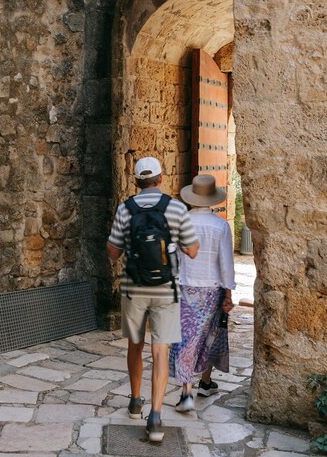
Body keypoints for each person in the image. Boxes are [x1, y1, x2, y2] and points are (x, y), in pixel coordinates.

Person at [107, 157, 199, 443]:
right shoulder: (175, 208)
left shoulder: (125, 209)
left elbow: (113, 252)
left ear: (136, 182)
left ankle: (136, 401)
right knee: (160, 351)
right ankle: (156, 417)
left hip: (134, 289)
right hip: (165, 290)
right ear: (160, 179)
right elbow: (193, 250)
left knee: (135, 345)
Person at [169, 174, 236, 412]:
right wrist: (228, 294)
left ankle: (193, 389)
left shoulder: (181, 222)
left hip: (186, 287)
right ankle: (200, 385)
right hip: (212, 289)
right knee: (211, 336)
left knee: (187, 339)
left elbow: (174, 258)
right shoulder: (220, 225)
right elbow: (226, 264)